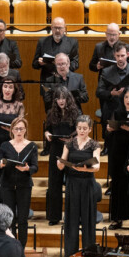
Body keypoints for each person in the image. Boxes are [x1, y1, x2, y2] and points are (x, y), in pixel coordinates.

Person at [60, 115, 102, 257]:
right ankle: (71, 254)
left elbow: (96, 167)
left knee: (88, 220)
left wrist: (85, 169)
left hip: (87, 184)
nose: (82, 131)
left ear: (90, 129)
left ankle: (88, 254)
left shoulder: (94, 145)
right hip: (72, 183)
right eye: (79, 128)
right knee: (71, 219)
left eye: (85, 128)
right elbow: (62, 163)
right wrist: (60, 163)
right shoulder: (69, 144)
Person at [105, 87, 129, 229]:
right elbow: (108, 133)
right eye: (126, 97)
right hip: (118, 152)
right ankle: (117, 218)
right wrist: (109, 129)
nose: (128, 100)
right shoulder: (117, 112)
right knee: (117, 185)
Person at [0, 117, 38, 246]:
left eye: (21, 129)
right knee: (10, 219)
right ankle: (10, 246)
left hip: (24, 186)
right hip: (7, 185)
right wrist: (1, 165)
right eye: (16, 129)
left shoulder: (32, 146)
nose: (19, 131)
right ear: (12, 130)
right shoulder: (5, 145)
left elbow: (35, 167)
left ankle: (21, 247)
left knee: (22, 219)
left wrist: (27, 169)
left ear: (25, 130)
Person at [44, 88, 80, 225]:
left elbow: (80, 131)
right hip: (56, 148)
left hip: (71, 149)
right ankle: (54, 217)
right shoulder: (51, 113)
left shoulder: (76, 112)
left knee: (72, 184)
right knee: (54, 183)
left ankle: (72, 216)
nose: (61, 101)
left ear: (68, 99)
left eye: (63, 98)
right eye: (58, 98)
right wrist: (47, 134)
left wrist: (72, 138)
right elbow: (47, 130)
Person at [97, 42, 129, 131]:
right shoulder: (106, 71)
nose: (120, 58)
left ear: (127, 54)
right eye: (118, 56)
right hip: (112, 110)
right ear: (114, 55)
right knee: (111, 137)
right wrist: (111, 93)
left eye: (122, 55)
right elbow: (99, 92)